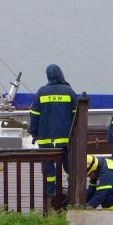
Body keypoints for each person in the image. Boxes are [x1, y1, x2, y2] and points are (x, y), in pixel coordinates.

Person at [29, 64, 77, 196]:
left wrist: (34, 133)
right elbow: (76, 116)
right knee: (69, 167)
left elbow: (34, 116)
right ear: (60, 74)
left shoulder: (41, 92)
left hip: (45, 140)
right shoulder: (69, 91)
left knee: (49, 168)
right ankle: (72, 192)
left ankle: (51, 194)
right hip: (66, 140)